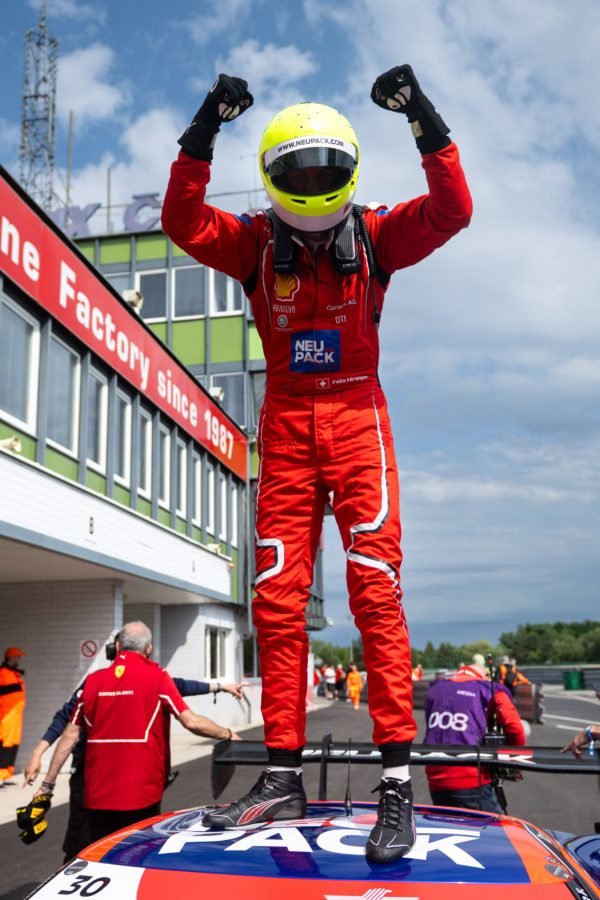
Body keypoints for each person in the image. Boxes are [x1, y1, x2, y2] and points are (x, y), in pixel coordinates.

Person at [162, 63, 472, 862]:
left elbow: (452, 209)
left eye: (321, 169)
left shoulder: (374, 234)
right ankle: (282, 776)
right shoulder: (254, 242)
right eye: (294, 171)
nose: (308, 183)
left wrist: (422, 116)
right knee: (275, 601)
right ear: (271, 178)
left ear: (348, 172)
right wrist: (206, 125)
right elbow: (180, 218)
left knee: (375, 590)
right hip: (289, 427)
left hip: (359, 418)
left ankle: (396, 782)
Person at [31, 622, 240, 843]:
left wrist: (46, 786)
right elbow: (191, 722)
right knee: (138, 851)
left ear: (117, 646)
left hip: (96, 796)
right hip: (141, 794)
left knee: (96, 849)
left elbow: (70, 735)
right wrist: (227, 734)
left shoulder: (93, 681)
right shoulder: (157, 677)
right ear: (148, 648)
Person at [424, 663, 526, 812]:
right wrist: (514, 763)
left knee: (449, 822)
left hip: (435, 776)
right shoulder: (488, 689)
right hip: (471, 776)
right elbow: (515, 728)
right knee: (496, 825)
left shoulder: (435, 689)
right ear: (482, 676)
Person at [0, 646, 27, 787]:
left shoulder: (14, 673)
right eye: (18, 657)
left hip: (16, 716)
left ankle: (6, 774)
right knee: (5, 744)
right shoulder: (2, 673)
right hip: (6, 715)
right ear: (11, 658)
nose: (19, 659)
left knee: (13, 744)